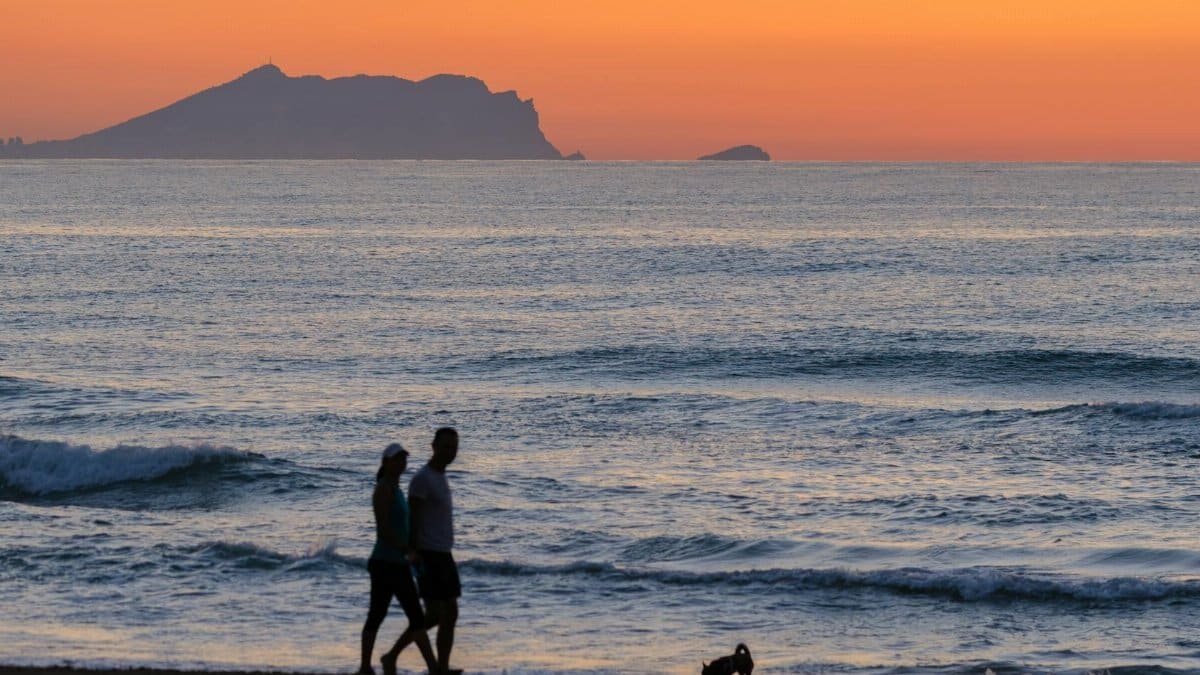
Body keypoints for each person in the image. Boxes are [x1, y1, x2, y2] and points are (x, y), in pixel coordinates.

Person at [359, 443, 437, 675]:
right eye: (397, 459)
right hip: (386, 563)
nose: (401, 463)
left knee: (413, 616)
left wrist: (415, 549)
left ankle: (430, 667)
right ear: (386, 463)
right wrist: (407, 550)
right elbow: (383, 530)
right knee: (382, 615)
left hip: (398, 563)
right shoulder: (384, 489)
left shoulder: (397, 489)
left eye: (403, 459)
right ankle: (366, 666)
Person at [409, 427, 462, 675]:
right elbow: (413, 516)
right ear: (433, 447)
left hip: (444, 552)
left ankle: (442, 667)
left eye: (454, 447)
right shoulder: (423, 478)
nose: (450, 451)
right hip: (427, 553)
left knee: (450, 612)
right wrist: (413, 551)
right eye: (446, 446)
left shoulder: (441, 476)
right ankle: (393, 654)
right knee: (434, 615)